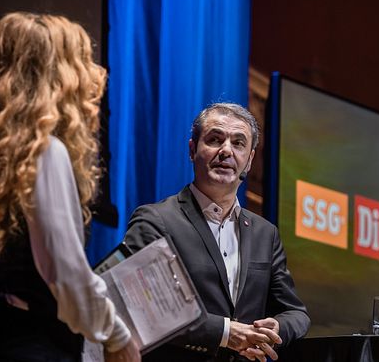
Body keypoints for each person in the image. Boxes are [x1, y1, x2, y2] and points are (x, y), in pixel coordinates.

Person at [0, 12, 140, 362]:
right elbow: (64, 271)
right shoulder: (46, 153)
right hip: (35, 347)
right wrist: (114, 333)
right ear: (61, 76)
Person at [123, 103, 310, 362]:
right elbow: (142, 308)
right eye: (214, 139)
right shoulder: (155, 221)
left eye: (238, 143)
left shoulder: (265, 234)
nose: (226, 151)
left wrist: (276, 329)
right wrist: (224, 333)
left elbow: (296, 314)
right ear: (192, 149)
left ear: (250, 160)